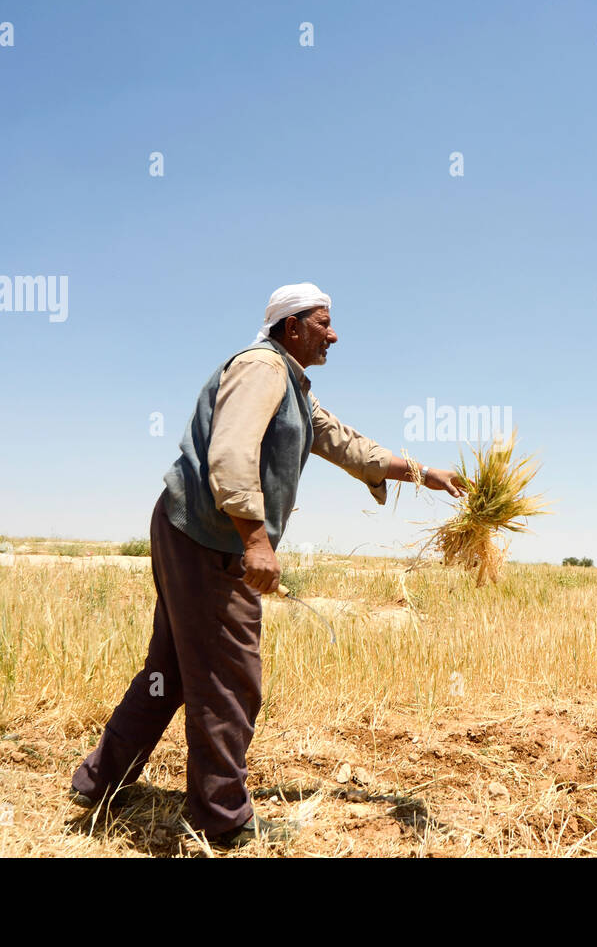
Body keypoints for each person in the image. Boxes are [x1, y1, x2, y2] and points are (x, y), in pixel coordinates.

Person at [70, 282, 465, 847]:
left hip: (192, 530)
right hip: (209, 538)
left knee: (175, 670)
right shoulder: (262, 368)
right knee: (232, 677)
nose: (335, 334)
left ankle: (98, 781)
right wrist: (256, 539)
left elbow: (349, 445)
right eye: (324, 323)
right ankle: (221, 819)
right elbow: (230, 453)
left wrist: (426, 473)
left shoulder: (295, 388)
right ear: (292, 327)